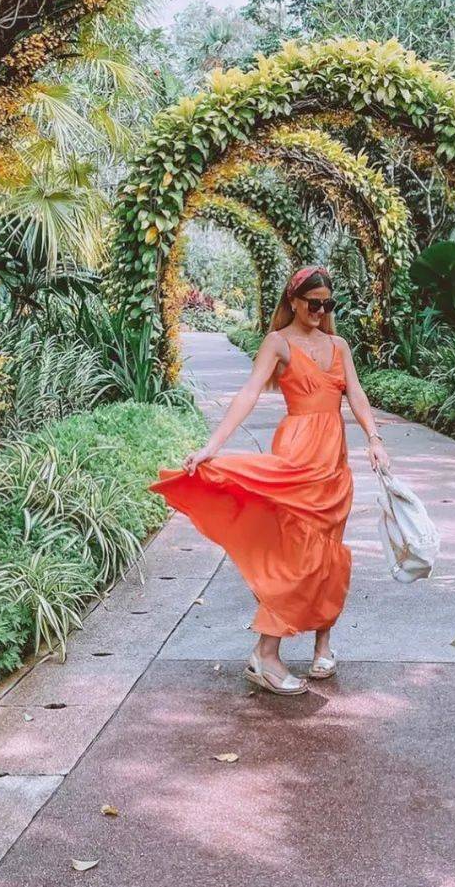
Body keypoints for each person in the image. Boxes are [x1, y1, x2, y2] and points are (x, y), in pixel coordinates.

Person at [149, 265, 392, 697]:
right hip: (297, 453)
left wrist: (375, 439)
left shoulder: (339, 345)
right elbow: (248, 393)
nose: (319, 311)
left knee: (328, 551)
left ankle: (322, 645)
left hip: (333, 462)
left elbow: (355, 394)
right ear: (293, 301)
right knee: (297, 552)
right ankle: (267, 653)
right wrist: (212, 447)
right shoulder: (278, 343)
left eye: (327, 304)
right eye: (312, 303)